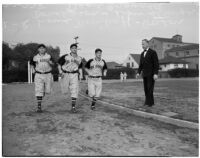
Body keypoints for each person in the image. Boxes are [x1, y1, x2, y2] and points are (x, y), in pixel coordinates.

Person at [57, 43, 83, 113]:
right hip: (65, 74)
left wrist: (81, 76)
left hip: (74, 75)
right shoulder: (65, 56)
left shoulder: (79, 58)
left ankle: (73, 107)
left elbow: (80, 68)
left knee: (74, 90)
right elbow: (59, 64)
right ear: (70, 49)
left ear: (76, 49)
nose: (74, 49)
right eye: (72, 48)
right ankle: (65, 90)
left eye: (75, 48)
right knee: (65, 91)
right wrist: (60, 72)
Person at [30, 44, 54, 113]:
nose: (42, 49)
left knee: (48, 91)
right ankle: (39, 107)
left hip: (48, 74)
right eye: (40, 48)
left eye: (43, 48)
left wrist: (50, 62)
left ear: (45, 49)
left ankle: (43, 91)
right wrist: (33, 70)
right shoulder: (35, 57)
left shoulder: (49, 56)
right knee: (38, 90)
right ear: (38, 49)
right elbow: (31, 64)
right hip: (39, 74)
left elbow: (53, 64)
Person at [136, 39, 159, 107]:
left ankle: (148, 103)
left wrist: (155, 73)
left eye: (143, 44)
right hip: (145, 74)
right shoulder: (142, 54)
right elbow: (141, 65)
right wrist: (138, 72)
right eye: (142, 44)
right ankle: (150, 103)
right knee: (146, 89)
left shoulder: (153, 52)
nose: (142, 45)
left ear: (147, 44)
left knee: (150, 88)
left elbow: (156, 64)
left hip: (151, 74)